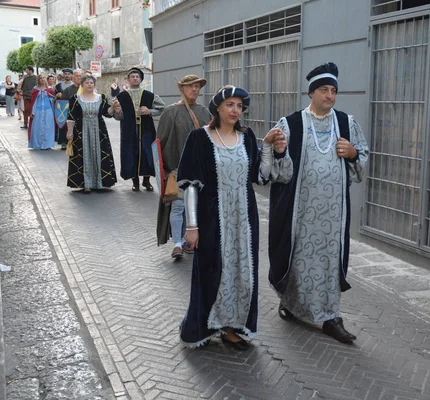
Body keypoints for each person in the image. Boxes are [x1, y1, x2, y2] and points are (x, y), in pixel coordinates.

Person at [178, 85, 292, 349]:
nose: (235, 110)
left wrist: (268, 149)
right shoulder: (199, 138)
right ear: (217, 107)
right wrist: (192, 227)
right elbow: (191, 186)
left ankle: (232, 327)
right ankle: (205, 326)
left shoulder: (247, 137)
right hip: (211, 218)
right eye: (230, 104)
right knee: (212, 271)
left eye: (239, 106)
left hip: (244, 218)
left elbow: (261, 177)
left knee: (242, 272)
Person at [268, 62, 370, 344]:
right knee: (298, 260)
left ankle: (330, 316)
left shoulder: (347, 123)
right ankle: (290, 303)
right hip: (300, 212)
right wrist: (278, 152)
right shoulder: (290, 124)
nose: (330, 96)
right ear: (311, 93)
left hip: (333, 215)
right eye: (324, 90)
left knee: (328, 263)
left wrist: (351, 154)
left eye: (334, 91)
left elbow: (362, 160)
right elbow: (276, 171)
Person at [156, 74, 212, 260]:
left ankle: (191, 241)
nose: (194, 90)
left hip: (200, 171)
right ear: (182, 89)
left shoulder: (205, 112)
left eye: (197, 86)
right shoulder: (170, 112)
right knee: (178, 207)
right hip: (177, 169)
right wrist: (164, 170)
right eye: (190, 86)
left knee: (194, 209)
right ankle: (178, 244)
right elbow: (160, 143)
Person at [113, 67, 165, 191]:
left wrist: (149, 111)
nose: (135, 78)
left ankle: (146, 181)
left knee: (147, 153)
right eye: (132, 76)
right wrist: (117, 111)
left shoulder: (150, 95)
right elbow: (117, 116)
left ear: (141, 79)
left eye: (137, 76)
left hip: (146, 130)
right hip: (129, 130)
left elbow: (162, 107)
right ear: (128, 79)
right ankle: (135, 181)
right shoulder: (121, 97)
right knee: (131, 153)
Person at [66, 74, 118, 192]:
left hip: (99, 131)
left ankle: (100, 182)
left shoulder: (101, 98)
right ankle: (86, 183)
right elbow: (71, 117)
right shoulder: (75, 99)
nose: (89, 84)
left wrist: (113, 108)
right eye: (87, 82)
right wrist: (70, 132)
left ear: (94, 84)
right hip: (81, 130)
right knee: (84, 154)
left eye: (91, 82)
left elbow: (107, 112)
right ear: (82, 85)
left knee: (99, 153)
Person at [28, 74, 55, 150]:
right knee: (37, 127)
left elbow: (53, 99)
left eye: (44, 78)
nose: (43, 79)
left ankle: (47, 145)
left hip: (48, 110)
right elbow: (33, 101)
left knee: (48, 127)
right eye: (41, 78)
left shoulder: (50, 89)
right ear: (38, 80)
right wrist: (32, 112)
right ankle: (37, 144)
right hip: (38, 110)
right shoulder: (35, 89)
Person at [55, 68, 75, 150]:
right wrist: (57, 96)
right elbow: (54, 98)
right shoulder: (58, 86)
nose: (67, 75)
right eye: (65, 74)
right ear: (63, 75)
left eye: (68, 74)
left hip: (73, 107)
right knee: (63, 125)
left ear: (71, 75)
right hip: (63, 108)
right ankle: (64, 142)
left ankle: (73, 142)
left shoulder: (76, 85)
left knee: (73, 125)